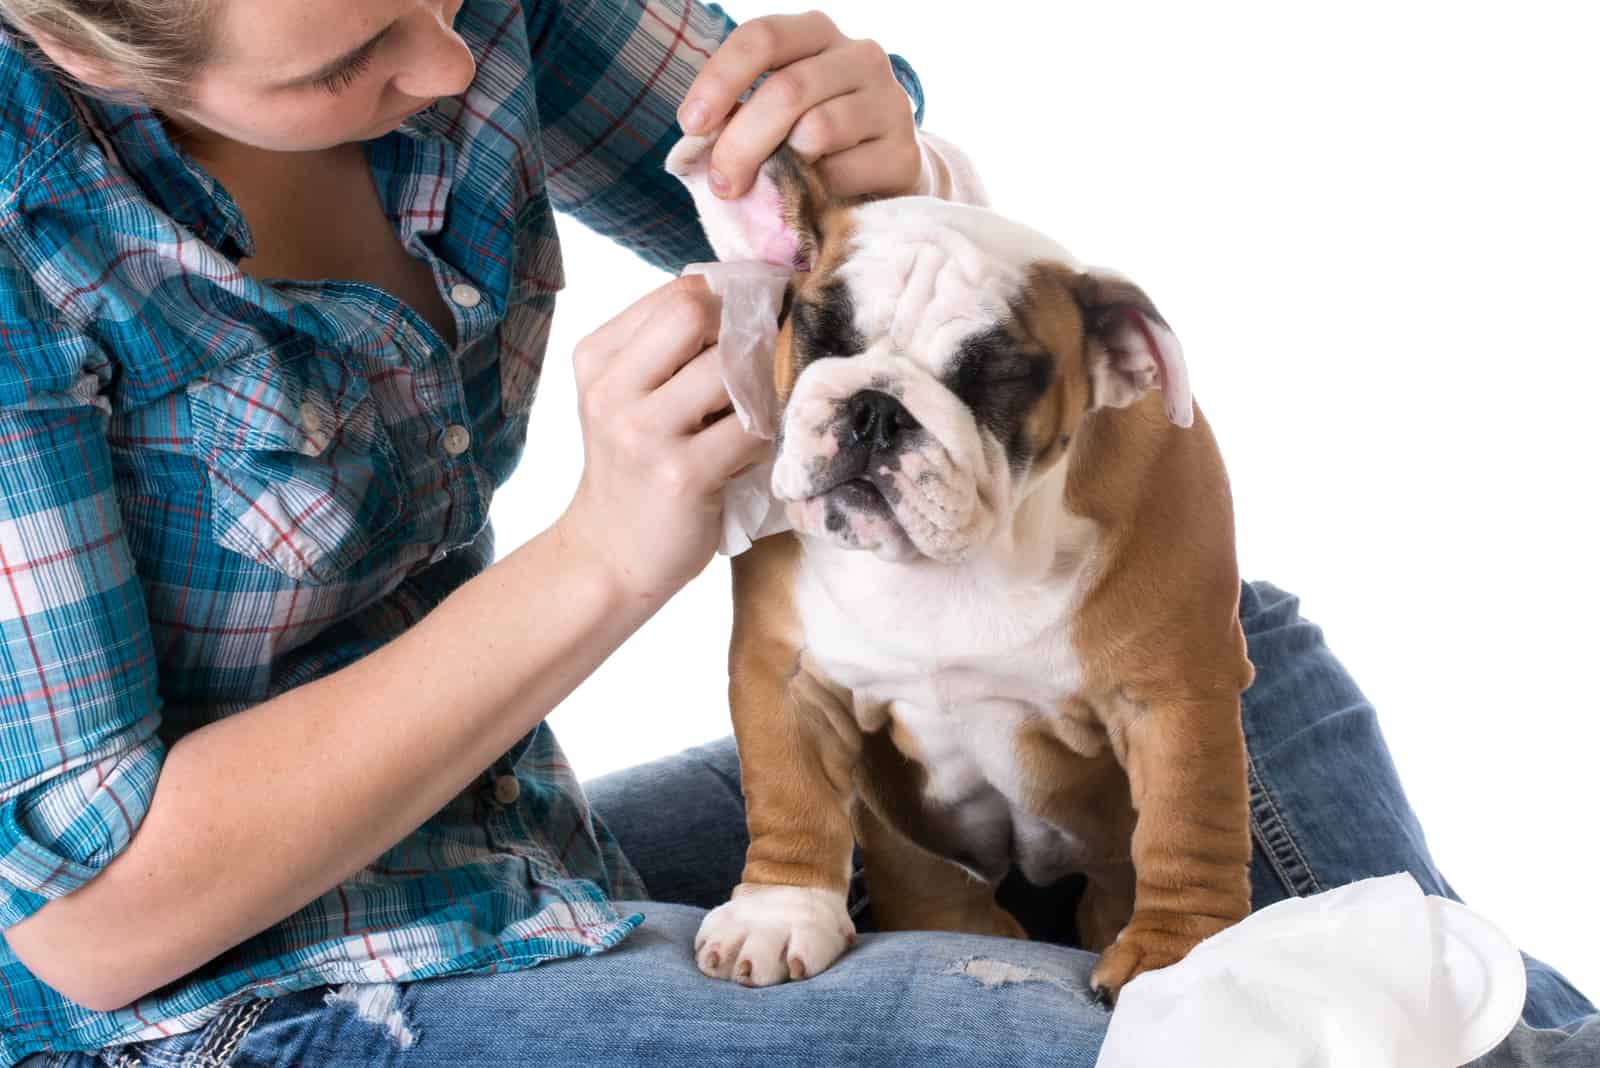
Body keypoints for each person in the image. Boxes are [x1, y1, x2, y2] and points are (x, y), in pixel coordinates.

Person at [0, 1, 1591, 1065]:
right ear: (82, 42)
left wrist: (869, 149)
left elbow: (826, 209)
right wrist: (609, 557)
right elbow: (95, 923)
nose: (446, 62)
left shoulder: (456, 14)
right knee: (1086, 1040)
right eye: (347, 61)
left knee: (1243, 662)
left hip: (509, 836)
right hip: (238, 996)